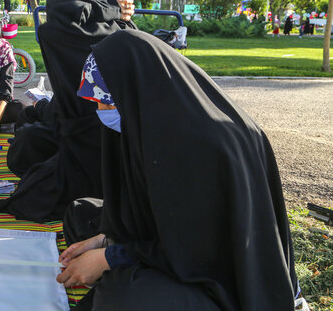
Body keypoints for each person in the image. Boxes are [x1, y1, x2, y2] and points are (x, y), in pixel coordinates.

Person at [57, 30, 299, 310]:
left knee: (127, 297)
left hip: (224, 280)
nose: (101, 110)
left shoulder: (202, 143)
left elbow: (202, 248)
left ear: (133, 88)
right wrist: (105, 239)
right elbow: (161, 214)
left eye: (106, 100)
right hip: (180, 246)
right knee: (81, 213)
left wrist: (109, 257)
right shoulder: (154, 122)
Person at [0, 0, 136, 223]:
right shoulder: (119, 33)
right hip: (78, 129)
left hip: (101, 147)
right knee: (27, 133)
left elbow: (60, 17)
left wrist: (111, 8)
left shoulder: (80, 35)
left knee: (32, 196)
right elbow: (68, 97)